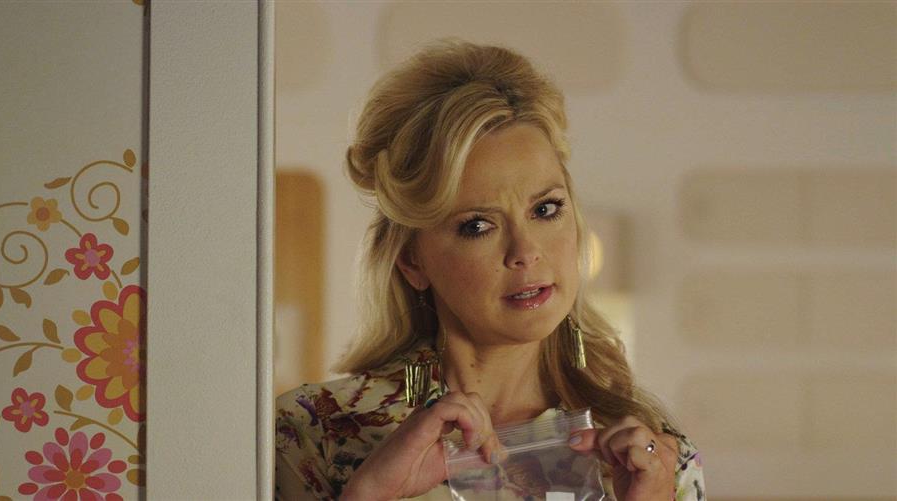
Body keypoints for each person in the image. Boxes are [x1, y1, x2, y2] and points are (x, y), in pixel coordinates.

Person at [275, 40, 705, 500]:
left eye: (545, 209)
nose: (526, 252)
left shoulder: (655, 461)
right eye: (477, 225)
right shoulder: (312, 433)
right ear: (413, 260)